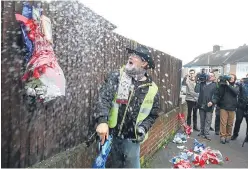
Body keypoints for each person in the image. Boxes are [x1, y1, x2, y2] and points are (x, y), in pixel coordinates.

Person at [94, 45, 160, 168]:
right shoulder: (117, 76)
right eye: (131, 54)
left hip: (132, 140)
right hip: (112, 136)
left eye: (135, 56)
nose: (130, 56)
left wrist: (143, 128)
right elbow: (104, 98)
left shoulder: (153, 89)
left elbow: (153, 114)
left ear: (144, 63)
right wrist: (102, 120)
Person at [211, 74, 239, 144]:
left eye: (232, 78)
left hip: (232, 108)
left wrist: (228, 85)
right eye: (230, 77)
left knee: (230, 124)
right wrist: (213, 101)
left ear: (235, 79)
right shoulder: (223, 85)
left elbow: (236, 92)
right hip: (223, 107)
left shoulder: (236, 86)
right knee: (223, 123)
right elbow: (218, 94)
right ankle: (222, 136)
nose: (231, 79)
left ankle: (228, 135)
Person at [195, 72, 217, 140]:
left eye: (211, 76)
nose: (209, 77)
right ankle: (201, 132)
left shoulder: (215, 85)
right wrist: (198, 81)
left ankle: (206, 133)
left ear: (213, 78)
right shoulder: (202, 83)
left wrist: (212, 102)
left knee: (208, 120)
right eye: (208, 75)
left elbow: (217, 95)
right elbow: (196, 90)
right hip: (201, 104)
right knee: (202, 119)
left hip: (209, 105)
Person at [231, 77, 248, 142]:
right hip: (241, 106)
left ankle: (247, 137)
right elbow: (237, 84)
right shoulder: (242, 83)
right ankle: (235, 134)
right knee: (238, 120)